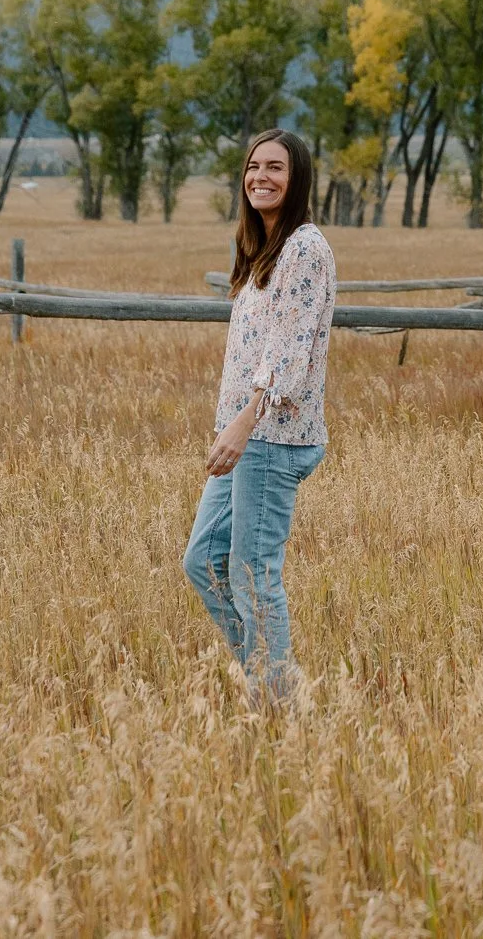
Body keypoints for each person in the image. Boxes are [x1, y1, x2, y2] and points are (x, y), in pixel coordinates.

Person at [182, 127, 334, 703]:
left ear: (296, 180)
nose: (260, 178)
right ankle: (272, 680)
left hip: (273, 437)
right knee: (202, 561)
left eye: (275, 168)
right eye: (253, 167)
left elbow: (287, 358)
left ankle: (278, 702)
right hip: (245, 435)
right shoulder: (260, 246)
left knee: (254, 576)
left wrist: (245, 424)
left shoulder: (304, 248)